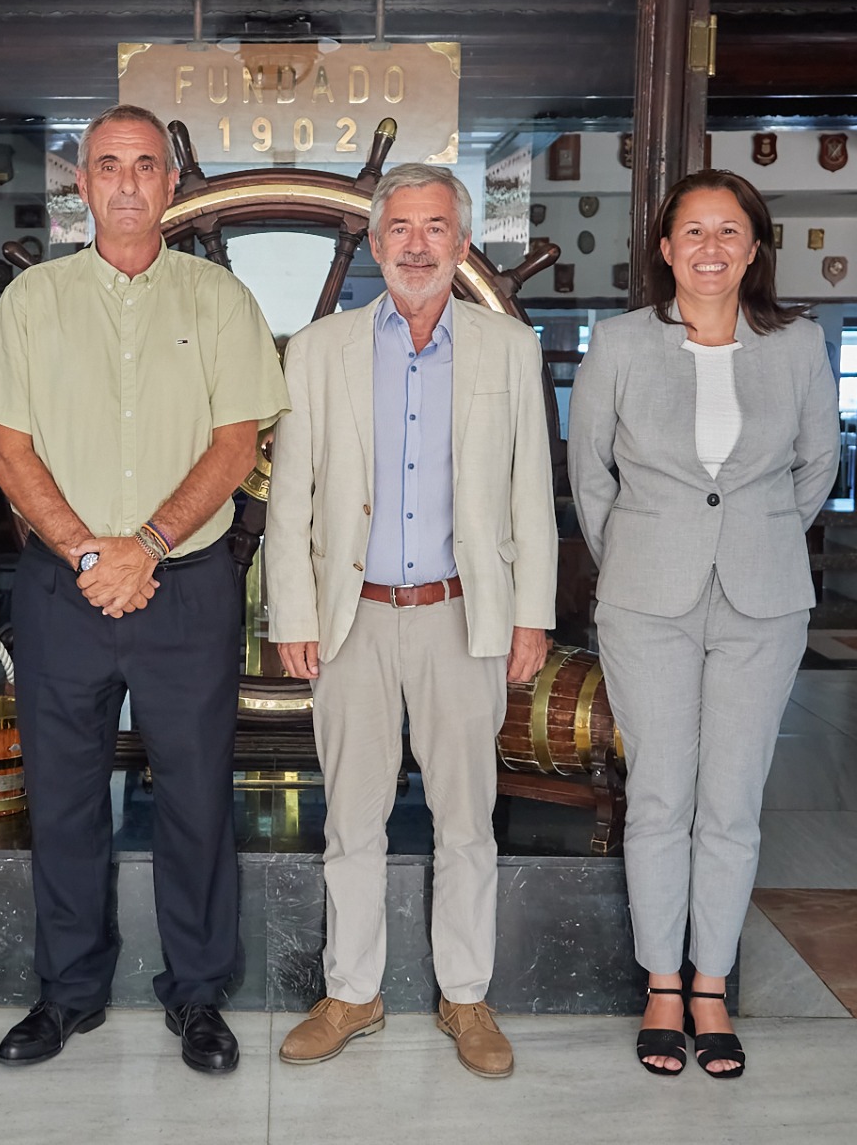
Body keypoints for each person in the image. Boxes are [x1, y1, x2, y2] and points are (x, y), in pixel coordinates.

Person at [0, 104, 288, 1075]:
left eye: (146, 165)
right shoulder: (34, 301)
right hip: (63, 589)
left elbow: (237, 446)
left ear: (171, 184)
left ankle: (198, 994)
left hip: (185, 586)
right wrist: (87, 550)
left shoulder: (220, 301)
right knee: (60, 799)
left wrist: (141, 542)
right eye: (109, 165)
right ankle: (67, 993)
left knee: (195, 800)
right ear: (83, 185)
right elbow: (4, 450)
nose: (129, 182)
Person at [264, 163, 558, 1078]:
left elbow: (530, 495)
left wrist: (532, 615)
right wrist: (294, 610)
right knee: (351, 818)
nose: (418, 244)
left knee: (467, 819)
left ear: (461, 244)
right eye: (401, 227)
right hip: (352, 622)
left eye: (437, 227)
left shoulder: (509, 349)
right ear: (377, 242)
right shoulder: (319, 349)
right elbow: (292, 500)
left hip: (461, 617)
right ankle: (353, 991)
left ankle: (465, 997)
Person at [567, 169, 839, 1079]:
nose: (711, 248)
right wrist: (645, 553)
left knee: (732, 798)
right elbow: (591, 478)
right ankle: (661, 984)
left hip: (764, 596)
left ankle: (712, 982)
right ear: (664, 247)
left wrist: (747, 539)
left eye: (730, 232)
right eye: (694, 232)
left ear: (755, 247)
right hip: (648, 595)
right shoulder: (618, 343)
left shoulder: (798, 345)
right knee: (660, 793)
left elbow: (815, 466)